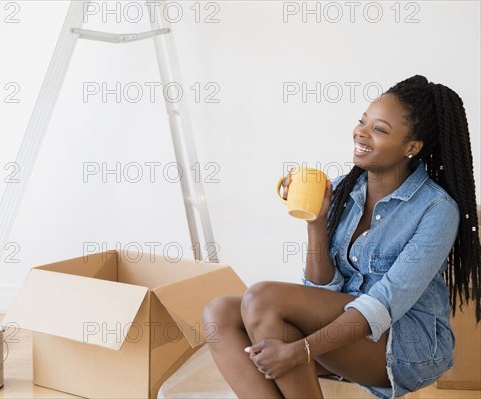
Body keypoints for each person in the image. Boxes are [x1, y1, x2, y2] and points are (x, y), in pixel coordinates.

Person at [202, 75, 481, 399]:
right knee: (219, 314)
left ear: (412, 147)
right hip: (344, 330)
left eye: (379, 129)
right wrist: (316, 221)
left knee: (262, 299)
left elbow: (383, 306)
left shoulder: (436, 209)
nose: (361, 133)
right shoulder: (343, 189)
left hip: (405, 345)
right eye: (363, 122)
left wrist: (301, 350)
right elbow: (321, 290)